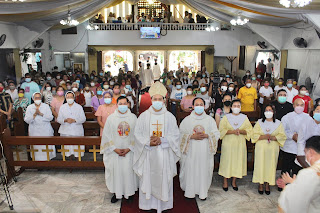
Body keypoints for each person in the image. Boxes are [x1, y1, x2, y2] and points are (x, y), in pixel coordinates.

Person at [133, 82, 180, 213]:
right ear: (151, 100)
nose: (157, 101)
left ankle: (163, 205)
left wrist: (162, 140)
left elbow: (176, 136)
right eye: (155, 99)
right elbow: (137, 134)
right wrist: (147, 142)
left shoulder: (170, 117)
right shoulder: (143, 117)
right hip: (148, 153)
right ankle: (148, 205)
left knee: (163, 178)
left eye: (160, 99)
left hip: (164, 153)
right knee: (148, 177)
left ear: (164, 101)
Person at [179, 97, 220, 200]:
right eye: (197, 105)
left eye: (201, 105)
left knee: (203, 170)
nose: (199, 107)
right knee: (190, 169)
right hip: (191, 152)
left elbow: (216, 133)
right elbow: (180, 135)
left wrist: (207, 135)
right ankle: (190, 192)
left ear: (204, 106)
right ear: (192, 107)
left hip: (204, 151)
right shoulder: (187, 120)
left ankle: (202, 192)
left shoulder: (210, 120)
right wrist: (191, 136)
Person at [100, 96, 137, 203]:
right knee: (117, 172)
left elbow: (137, 135)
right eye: (120, 104)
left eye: (125, 103)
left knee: (128, 171)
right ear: (116, 105)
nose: (123, 106)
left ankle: (129, 193)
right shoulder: (111, 118)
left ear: (128, 104)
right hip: (114, 152)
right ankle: (117, 193)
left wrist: (129, 148)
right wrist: (113, 148)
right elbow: (107, 135)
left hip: (129, 151)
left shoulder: (133, 118)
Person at [278, 136, 320, 213]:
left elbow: (296, 203)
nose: (305, 156)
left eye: (305, 152)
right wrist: (295, 183)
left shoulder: (307, 173)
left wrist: (289, 187)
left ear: (311, 152)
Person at [251, 105, 286, 195]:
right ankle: (261, 184)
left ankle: (268, 184)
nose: (268, 112)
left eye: (270, 110)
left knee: (270, 165)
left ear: (273, 112)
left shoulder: (278, 123)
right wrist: (263, 136)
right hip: (261, 147)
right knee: (260, 165)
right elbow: (253, 135)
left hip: (272, 147)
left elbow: (282, 136)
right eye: (266, 110)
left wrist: (274, 137)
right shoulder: (259, 122)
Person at [218, 99, 252, 191]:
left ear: (240, 107)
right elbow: (221, 130)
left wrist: (241, 131)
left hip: (239, 143)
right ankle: (225, 180)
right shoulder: (226, 117)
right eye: (234, 106)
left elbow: (249, 130)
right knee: (227, 161)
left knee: (237, 161)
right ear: (231, 107)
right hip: (228, 142)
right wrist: (232, 131)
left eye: (238, 106)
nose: (236, 108)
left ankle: (234, 181)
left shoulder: (244, 117)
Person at [280, 98, 314, 176]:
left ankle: (297, 186)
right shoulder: (286, 117)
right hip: (288, 147)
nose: (299, 107)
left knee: (298, 170)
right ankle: (284, 186)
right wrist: (292, 136)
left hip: (301, 148)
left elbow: (311, 132)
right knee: (286, 169)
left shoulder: (308, 118)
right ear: (293, 105)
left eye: (301, 105)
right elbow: (282, 131)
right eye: (297, 105)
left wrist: (301, 137)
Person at [24, 92, 56, 161]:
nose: (38, 99)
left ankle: (48, 161)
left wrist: (41, 114)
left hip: (45, 130)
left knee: (46, 145)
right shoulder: (30, 107)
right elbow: (26, 120)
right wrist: (34, 115)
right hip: (34, 130)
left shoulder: (46, 106)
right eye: (36, 98)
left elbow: (50, 118)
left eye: (39, 98)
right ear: (33, 99)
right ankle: (38, 162)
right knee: (37, 146)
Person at [57, 91, 86, 160]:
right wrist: (65, 120)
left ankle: (78, 161)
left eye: (71, 97)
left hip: (76, 130)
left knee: (77, 147)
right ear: (65, 98)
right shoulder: (62, 107)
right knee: (67, 148)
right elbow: (59, 119)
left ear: (74, 98)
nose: (69, 98)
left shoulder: (79, 107)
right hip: (65, 130)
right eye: (68, 97)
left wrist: (74, 120)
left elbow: (83, 118)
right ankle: (68, 161)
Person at [295, 101, 320, 169]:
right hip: (305, 155)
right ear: (313, 112)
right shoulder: (305, 124)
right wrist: (302, 157)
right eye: (317, 111)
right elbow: (300, 141)